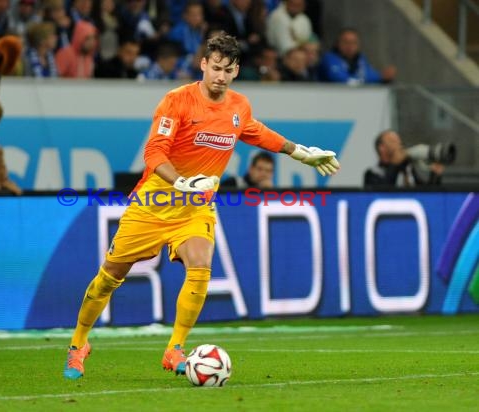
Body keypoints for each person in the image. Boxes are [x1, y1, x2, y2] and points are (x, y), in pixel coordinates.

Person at [63, 32, 340, 380]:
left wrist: (301, 153)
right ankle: (78, 345)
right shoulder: (176, 101)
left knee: (200, 266)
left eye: (227, 70)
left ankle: (174, 348)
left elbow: (257, 132)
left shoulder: (239, 107)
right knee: (109, 277)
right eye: (215, 68)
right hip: (154, 202)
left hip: (195, 208)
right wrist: (181, 182)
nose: (220, 77)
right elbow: (154, 152)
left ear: (236, 70)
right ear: (203, 64)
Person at [363, 130, 445, 187]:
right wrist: (394, 164)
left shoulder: (406, 168)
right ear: (382, 148)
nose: (399, 144)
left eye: (399, 141)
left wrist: (435, 176)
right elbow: (384, 192)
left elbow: (423, 193)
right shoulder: (372, 173)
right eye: (393, 141)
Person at [319, 28, 396, 85]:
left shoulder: (360, 59)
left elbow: (369, 74)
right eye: (346, 42)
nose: (350, 46)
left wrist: (383, 76)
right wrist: (379, 77)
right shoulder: (329, 58)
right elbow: (340, 79)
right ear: (337, 43)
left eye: (353, 42)